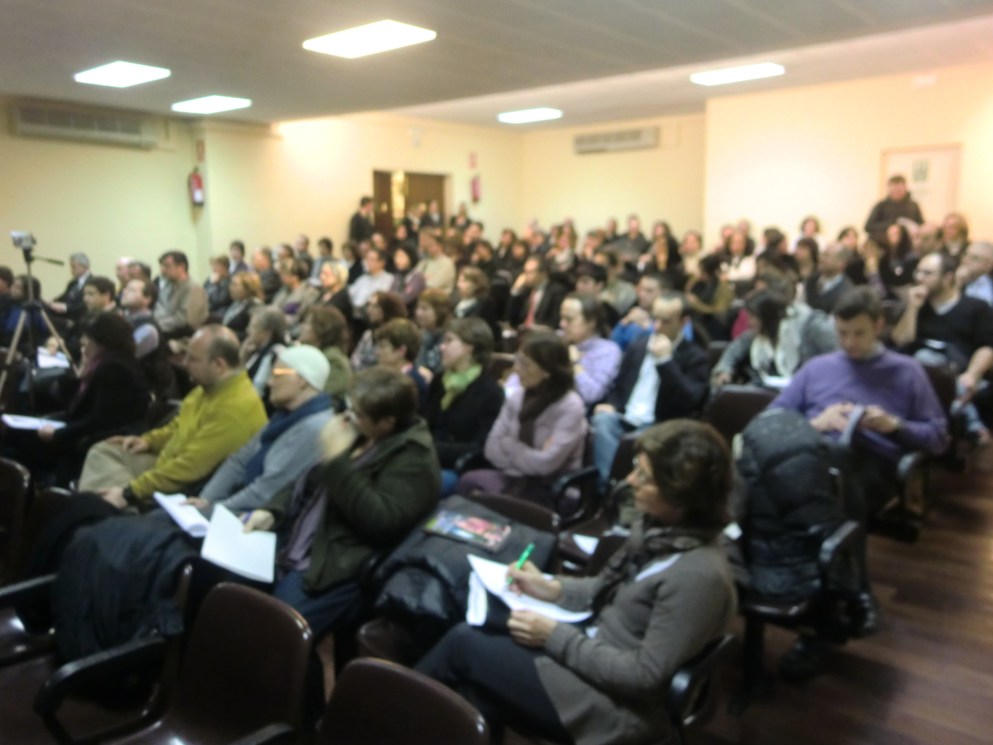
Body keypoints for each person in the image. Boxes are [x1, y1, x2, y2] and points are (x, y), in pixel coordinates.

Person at [418, 419, 736, 745]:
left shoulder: (699, 577)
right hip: (589, 656)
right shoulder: (660, 532)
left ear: (680, 496)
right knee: (471, 687)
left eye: (644, 476)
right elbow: (603, 590)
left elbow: (643, 678)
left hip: (613, 706)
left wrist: (554, 636)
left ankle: (386, 717)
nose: (630, 480)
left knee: (463, 644)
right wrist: (548, 586)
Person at [242, 367, 440, 638]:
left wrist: (336, 459)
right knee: (222, 581)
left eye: (359, 414)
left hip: (337, 562)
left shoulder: (414, 459)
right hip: (302, 534)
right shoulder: (364, 431)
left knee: (272, 633)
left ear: (388, 423)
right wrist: (272, 510)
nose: (350, 417)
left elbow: (380, 521)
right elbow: (307, 481)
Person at [78, 325, 267, 508]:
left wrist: (130, 492)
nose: (184, 364)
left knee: (104, 467)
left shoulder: (235, 408)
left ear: (219, 365)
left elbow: (190, 469)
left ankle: (102, 510)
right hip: (166, 463)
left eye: (193, 359)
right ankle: (101, 506)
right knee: (104, 451)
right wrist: (148, 441)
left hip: (182, 487)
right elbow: (177, 427)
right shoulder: (208, 389)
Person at [184, 346, 334, 515]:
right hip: (234, 507)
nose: (270, 382)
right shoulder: (286, 416)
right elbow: (239, 460)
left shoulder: (314, 428)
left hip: (256, 519)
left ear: (302, 380)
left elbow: (266, 491)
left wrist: (210, 510)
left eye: (277, 374)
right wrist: (207, 500)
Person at [4, 313, 150, 486]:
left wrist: (58, 434)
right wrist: (80, 373)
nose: (83, 342)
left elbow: (100, 419)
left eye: (87, 338)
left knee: (16, 439)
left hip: (96, 437)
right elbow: (73, 403)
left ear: (100, 341)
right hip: (85, 427)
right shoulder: (107, 363)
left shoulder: (114, 369)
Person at [457, 331, 587, 510]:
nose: (516, 368)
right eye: (517, 360)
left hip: (552, 488)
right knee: (469, 482)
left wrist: (509, 445)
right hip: (512, 477)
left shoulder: (570, 406)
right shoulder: (517, 397)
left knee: (502, 506)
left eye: (525, 364)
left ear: (547, 371)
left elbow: (546, 466)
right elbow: (491, 449)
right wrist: (530, 456)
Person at [592, 293, 710, 491]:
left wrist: (666, 362)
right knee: (602, 420)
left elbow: (690, 401)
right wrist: (611, 404)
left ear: (683, 322)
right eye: (655, 319)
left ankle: (623, 489)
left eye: (666, 321)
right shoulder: (638, 347)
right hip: (626, 415)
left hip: (660, 424)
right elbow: (620, 387)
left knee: (640, 439)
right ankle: (610, 488)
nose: (657, 327)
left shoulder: (695, 357)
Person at [891, 252, 993, 443]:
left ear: (948, 277)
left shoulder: (976, 307)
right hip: (918, 370)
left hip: (956, 366)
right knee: (921, 359)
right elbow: (901, 341)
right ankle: (967, 419)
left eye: (927, 273)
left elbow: (986, 347)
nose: (919, 278)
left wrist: (972, 374)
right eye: (918, 272)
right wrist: (912, 308)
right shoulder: (918, 306)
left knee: (928, 360)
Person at [424, 318, 504, 497]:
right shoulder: (439, 381)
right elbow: (425, 422)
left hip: (457, 466)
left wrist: (431, 448)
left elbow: (480, 447)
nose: (441, 347)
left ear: (470, 347)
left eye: (449, 341)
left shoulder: (490, 392)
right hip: (425, 457)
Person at [711, 283, 837, 390]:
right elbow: (736, 347)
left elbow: (837, 358)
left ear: (768, 316)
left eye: (753, 317)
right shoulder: (760, 332)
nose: (749, 322)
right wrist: (723, 370)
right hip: (770, 390)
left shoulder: (810, 325)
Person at [559, 294, 621, 408]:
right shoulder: (556, 339)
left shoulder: (607, 351)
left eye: (569, 319)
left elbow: (591, 394)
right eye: (561, 318)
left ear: (591, 322)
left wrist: (575, 364)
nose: (562, 324)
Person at [298, 306, 352, 400]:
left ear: (322, 328)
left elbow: (325, 394)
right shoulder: (313, 355)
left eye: (307, 323)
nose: (302, 327)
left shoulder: (333, 360)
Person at [373, 318, 429, 407]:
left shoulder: (413, 383)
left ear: (401, 350)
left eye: (383, 346)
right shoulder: (381, 377)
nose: (377, 353)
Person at [154, 250, 208, 340]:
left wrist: (155, 324)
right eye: (162, 266)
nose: (162, 270)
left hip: (184, 339)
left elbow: (184, 321)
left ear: (181, 267)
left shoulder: (193, 288)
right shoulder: (169, 285)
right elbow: (159, 307)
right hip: (166, 332)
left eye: (167, 266)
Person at [507, 256, 568, 330]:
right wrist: (515, 290)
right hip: (522, 332)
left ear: (543, 273)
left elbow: (555, 322)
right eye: (525, 272)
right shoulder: (525, 290)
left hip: (542, 335)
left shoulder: (556, 292)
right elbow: (511, 320)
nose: (525, 276)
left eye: (530, 272)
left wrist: (533, 327)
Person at [351, 291, 407, 371]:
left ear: (387, 309)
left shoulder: (396, 337)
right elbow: (355, 359)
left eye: (375, 306)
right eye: (369, 305)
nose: (369, 310)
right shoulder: (368, 334)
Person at [609, 273, 666, 351]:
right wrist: (624, 322)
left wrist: (647, 326)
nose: (642, 294)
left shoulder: (667, 319)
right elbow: (612, 344)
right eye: (640, 289)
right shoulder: (633, 315)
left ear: (662, 293)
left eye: (649, 291)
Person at [864, 174, 925, 246]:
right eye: (894, 189)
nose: (897, 192)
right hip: (883, 245)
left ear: (905, 188)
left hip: (908, 246)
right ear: (889, 189)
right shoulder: (881, 206)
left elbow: (921, 225)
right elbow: (868, 227)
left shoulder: (913, 206)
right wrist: (891, 225)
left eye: (899, 189)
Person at [453, 266, 500, 342]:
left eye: (464, 281)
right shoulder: (456, 301)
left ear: (476, 284)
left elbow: (474, 325)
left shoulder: (485, 303)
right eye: (459, 281)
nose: (459, 285)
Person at [413, 288, 452, 378]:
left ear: (440, 311)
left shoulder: (450, 338)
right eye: (418, 308)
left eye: (424, 309)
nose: (418, 313)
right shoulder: (417, 335)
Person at [221, 271, 265, 341]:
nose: (230, 288)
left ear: (248, 288)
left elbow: (251, 334)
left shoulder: (255, 307)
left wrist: (228, 334)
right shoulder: (238, 303)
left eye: (235, 285)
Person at [315, 260, 354, 324]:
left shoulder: (343, 297)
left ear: (338, 276)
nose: (322, 277)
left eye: (326, 274)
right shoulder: (324, 292)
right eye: (321, 273)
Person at [956, 240, 993, 307]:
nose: (965, 260)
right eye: (965, 254)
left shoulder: (989, 285)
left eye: (974, 258)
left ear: (988, 265)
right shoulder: (948, 278)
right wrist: (958, 282)